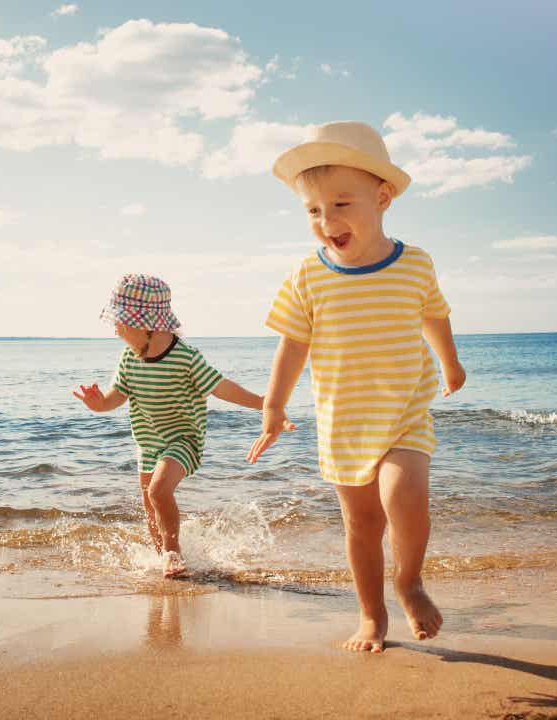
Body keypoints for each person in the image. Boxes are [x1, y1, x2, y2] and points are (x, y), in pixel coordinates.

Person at [247, 121, 467, 652]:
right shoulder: (307, 275)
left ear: (382, 197)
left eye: (342, 205)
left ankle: (409, 580)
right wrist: (273, 405)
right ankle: (371, 617)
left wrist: (450, 364)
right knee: (362, 525)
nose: (327, 221)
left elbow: (434, 316)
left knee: (405, 496)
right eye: (314, 211)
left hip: (403, 414)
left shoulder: (414, 263)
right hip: (343, 422)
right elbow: (293, 344)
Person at [74, 273, 288, 578]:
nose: (117, 330)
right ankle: (163, 560)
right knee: (151, 506)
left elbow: (220, 387)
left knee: (159, 492)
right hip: (148, 441)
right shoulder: (128, 358)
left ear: (145, 323)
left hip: (183, 438)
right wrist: (99, 404)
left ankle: (173, 553)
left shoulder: (185, 357)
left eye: (120, 323)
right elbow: (116, 396)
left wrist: (265, 403)